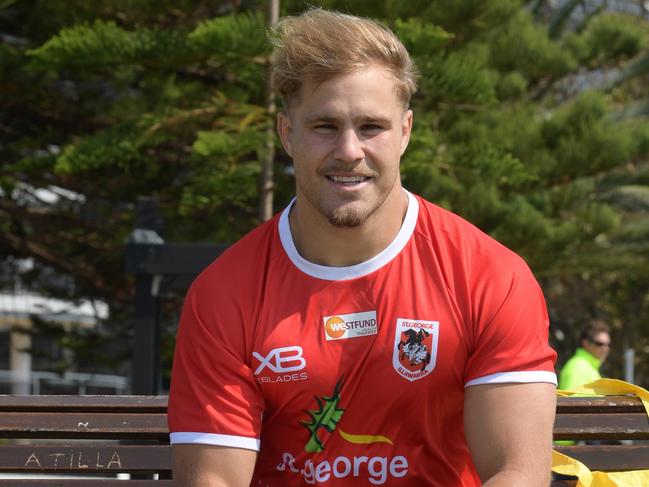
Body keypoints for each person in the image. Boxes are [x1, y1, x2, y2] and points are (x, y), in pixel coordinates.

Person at [168, 8, 558, 486]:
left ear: (406, 132)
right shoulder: (223, 294)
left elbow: (517, 472)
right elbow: (215, 480)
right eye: (325, 127)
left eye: (371, 127)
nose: (349, 150)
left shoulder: (490, 277)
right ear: (287, 133)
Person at [559, 320, 611, 390]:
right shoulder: (578, 367)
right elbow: (570, 400)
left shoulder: (588, 367)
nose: (605, 349)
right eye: (600, 344)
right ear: (586, 343)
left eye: (608, 344)